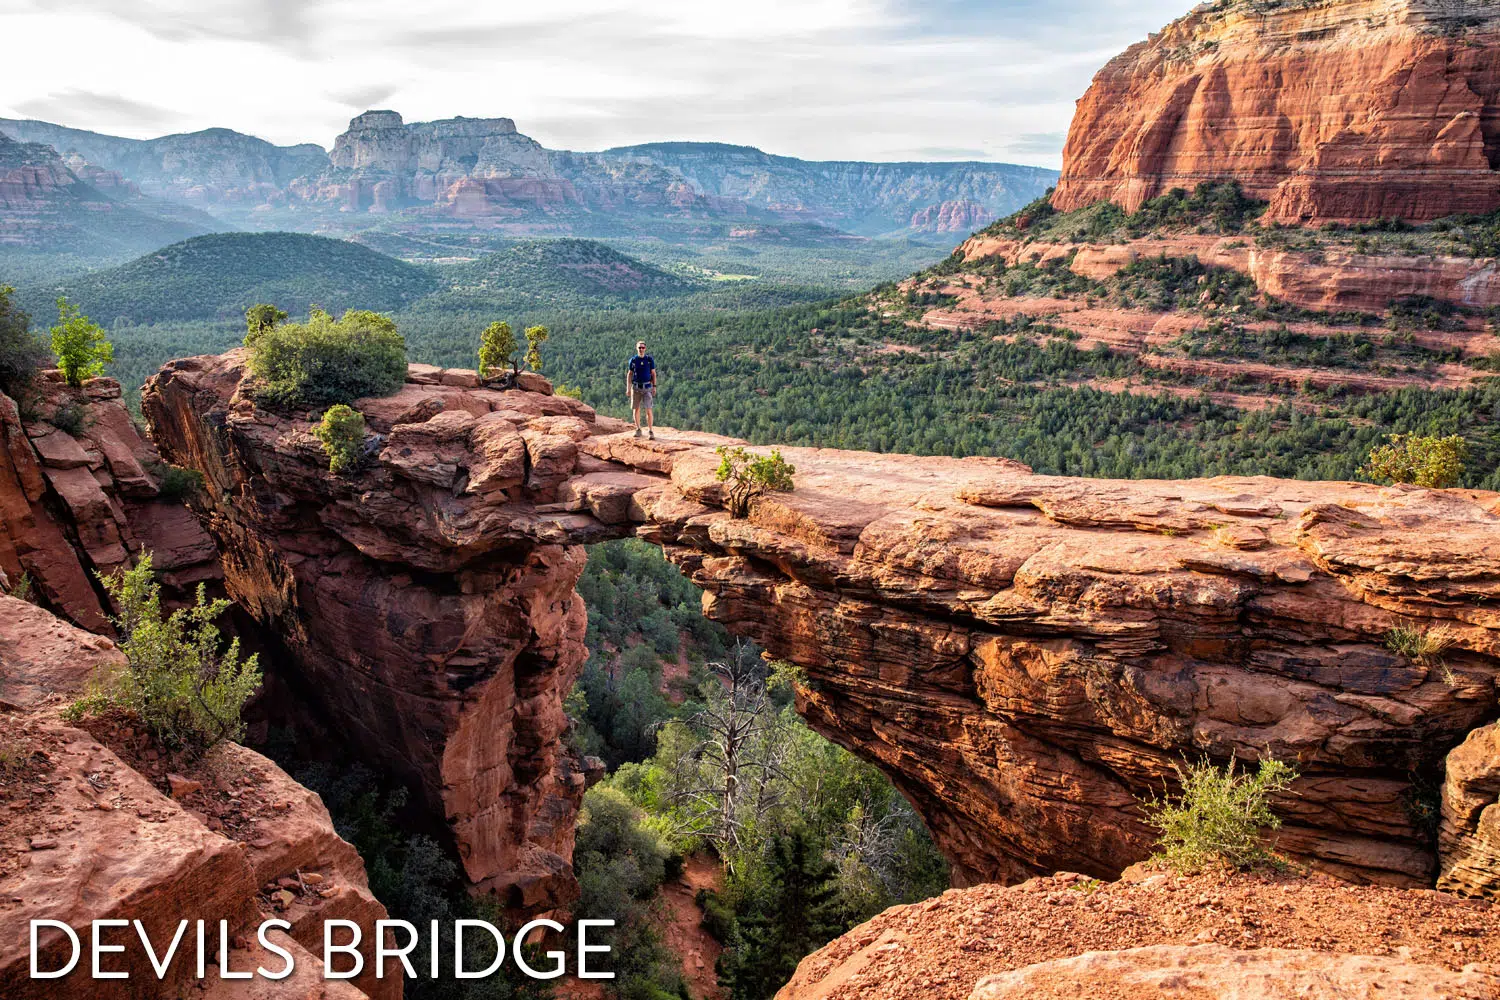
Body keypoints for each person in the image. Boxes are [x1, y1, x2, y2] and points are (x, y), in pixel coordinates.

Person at [627, 340, 658, 439]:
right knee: (636, 409)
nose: (641, 349)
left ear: (645, 348)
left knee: (648, 410)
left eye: (643, 347)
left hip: (647, 387)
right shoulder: (633, 360)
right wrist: (628, 388)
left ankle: (650, 431)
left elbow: (653, 373)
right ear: (637, 348)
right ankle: (638, 429)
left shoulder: (649, 360)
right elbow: (630, 374)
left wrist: (654, 386)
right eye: (639, 347)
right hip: (636, 388)